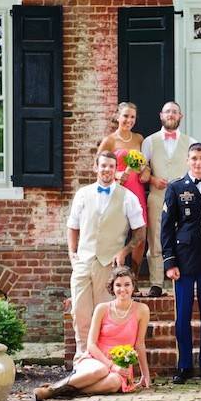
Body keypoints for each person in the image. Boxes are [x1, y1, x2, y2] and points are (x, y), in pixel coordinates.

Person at [66, 151, 146, 360]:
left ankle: (102, 360)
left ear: (116, 169)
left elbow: (140, 232)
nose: (107, 170)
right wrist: (72, 254)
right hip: (83, 261)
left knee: (105, 316)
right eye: (103, 166)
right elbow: (72, 226)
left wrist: (125, 250)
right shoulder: (83, 194)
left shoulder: (128, 197)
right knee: (79, 312)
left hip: (108, 264)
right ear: (96, 167)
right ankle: (81, 358)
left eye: (111, 166)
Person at [161, 143, 201, 384]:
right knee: (183, 317)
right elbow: (166, 228)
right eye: (194, 158)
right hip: (184, 261)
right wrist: (169, 262)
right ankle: (184, 366)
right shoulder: (176, 188)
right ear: (187, 161)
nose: (198, 162)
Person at [34, 266, 151, 400]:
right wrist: (110, 365)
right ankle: (52, 390)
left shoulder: (142, 310)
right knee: (101, 370)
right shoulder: (102, 309)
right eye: (118, 285)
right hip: (96, 358)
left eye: (127, 284)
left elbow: (140, 344)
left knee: (114, 382)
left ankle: (66, 390)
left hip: (121, 364)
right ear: (112, 288)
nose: (122, 289)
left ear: (133, 286)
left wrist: (145, 375)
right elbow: (91, 344)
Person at [141, 102, 199, 297]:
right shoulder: (149, 141)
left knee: (182, 238)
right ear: (161, 115)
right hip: (157, 197)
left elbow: (199, 169)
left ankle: (180, 279)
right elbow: (142, 170)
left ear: (180, 116)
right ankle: (156, 282)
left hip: (184, 198)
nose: (171, 115)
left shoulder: (190, 141)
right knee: (156, 238)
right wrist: (153, 179)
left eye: (174, 112)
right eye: (167, 112)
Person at [98, 102, 149, 279]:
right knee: (116, 232)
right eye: (126, 116)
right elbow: (96, 167)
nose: (129, 120)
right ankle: (113, 277)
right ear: (118, 117)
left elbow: (145, 165)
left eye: (132, 117)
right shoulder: (110, 140)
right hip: (117, 189)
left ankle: (133, 278)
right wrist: (117, 174)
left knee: (140, 234)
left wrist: (146, 172)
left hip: (137, 189)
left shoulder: (139, 139)